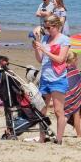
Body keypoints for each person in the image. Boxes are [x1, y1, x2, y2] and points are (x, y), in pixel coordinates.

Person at [33, 15, 70, 144]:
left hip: (58, 79)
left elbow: (60, 59)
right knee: (41, 109)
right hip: (45, 78)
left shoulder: (64, 40)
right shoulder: (45, 38)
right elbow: (39, 59)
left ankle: (59, 139)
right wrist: (37, 48)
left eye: (49, 27)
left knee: (58, 110)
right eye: (45, 27)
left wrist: (45, 50)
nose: (47, 30)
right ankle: (42, 137)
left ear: (56, 26)